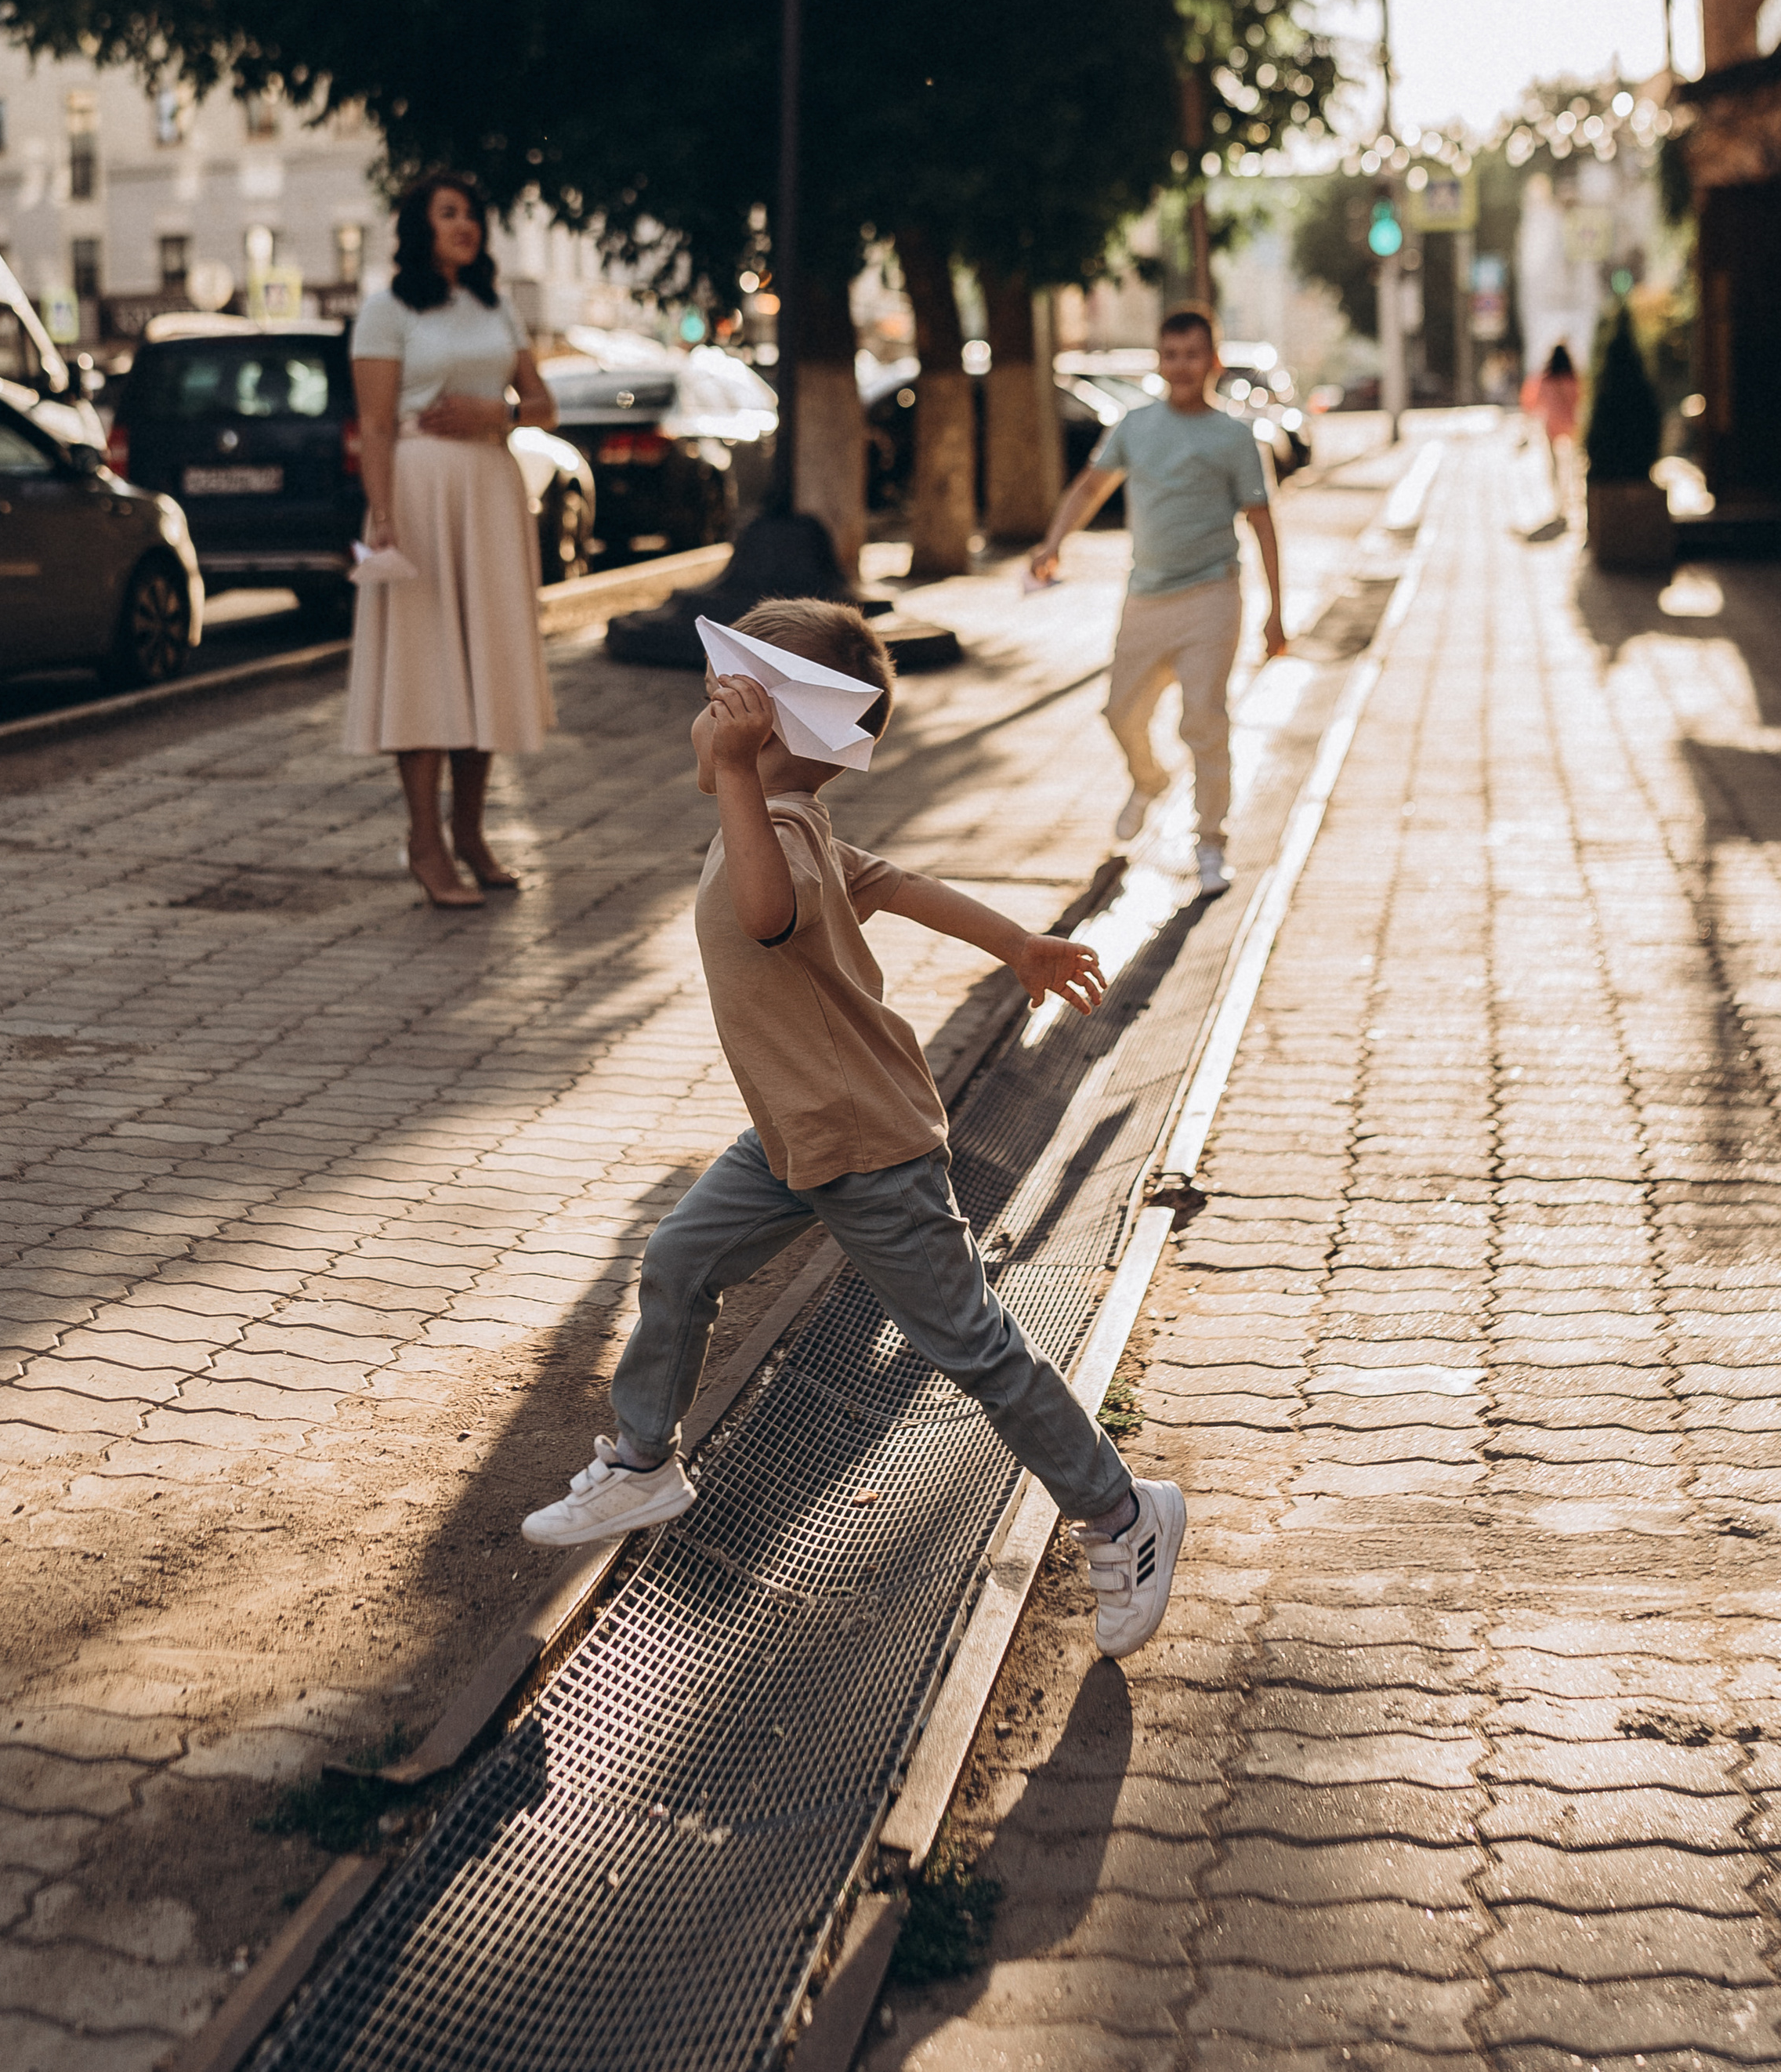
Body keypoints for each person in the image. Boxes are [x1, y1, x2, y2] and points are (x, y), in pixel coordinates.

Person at [517, 597, 1187, 1665]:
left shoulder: (774, 828)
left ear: (772, 733)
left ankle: (1121, 1512)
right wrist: (1017, 942)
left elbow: (769, 914)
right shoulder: (801, 822)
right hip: (797, 1136)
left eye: (726, 710)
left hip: (863, 1142)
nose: (703, 724)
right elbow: (903, 885)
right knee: (682, 1260)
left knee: (971, 1345)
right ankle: (646, 1460)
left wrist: (736, 772)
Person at [346, 172, 558, 906]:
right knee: (424, 665)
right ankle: (425, 842)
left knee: (485, 661)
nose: (464, 225)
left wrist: (494, 412)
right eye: (448, 213)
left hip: (491, 493)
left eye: (472, 213)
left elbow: (544, 405)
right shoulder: (387, 309)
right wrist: (383, 517)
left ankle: (470, 832)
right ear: (418, 226)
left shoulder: (498, 306)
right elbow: (374, 424)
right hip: (417, 492)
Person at [1029, 307, 1283, 898]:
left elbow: (1265, 523)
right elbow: (1091, 486)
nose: (1182, 366)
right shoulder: (1135, 427)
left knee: (1205, 720)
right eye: (1171, 355)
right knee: (1120, 712)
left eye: (1193, 355)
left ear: (1213, 362)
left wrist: (1277, 611)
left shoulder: (1235, 437)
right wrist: (1052, 543)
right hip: (1145, 599)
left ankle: (1212, 842)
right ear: (1159, 362)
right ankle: (1148, 779)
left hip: (1212, 597)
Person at [1522, 342, 1580, 507]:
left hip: (1552, 424)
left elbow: (1531, 402)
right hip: (1570, 423)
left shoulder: (1545, 380)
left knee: (1554, 463)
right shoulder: (1573, 378)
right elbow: (1581, 398)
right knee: (1571, 462)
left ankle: (1559, 499)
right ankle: (1570, 493)